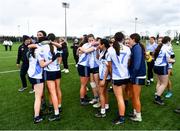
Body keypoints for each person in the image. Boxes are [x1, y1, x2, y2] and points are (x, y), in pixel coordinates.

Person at [27, 39, 54, 124]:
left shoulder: (30, 52)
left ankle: (38, 112)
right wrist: (52, 60)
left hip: (31, 75)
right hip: (37, 76)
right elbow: (42, 65)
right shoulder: (39, 52)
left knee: (38, 96)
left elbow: (30, 46)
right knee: (38, 97)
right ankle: (36, 117)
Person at [37, 31, 62, 121]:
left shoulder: (40, 48)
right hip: (57, 70)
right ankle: (59, 106)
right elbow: (61, 46)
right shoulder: (54, 46)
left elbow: (42, 65)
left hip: (49, 72)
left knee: (53, 93)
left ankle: (56, 114)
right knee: (57, 89)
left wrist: (50, 60)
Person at [108, 32, 131, 124]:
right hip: (126, 75)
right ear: (123, 39)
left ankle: (121, 118)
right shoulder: (127, 49)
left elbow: (109, 66)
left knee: (119, 98)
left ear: (115, 38)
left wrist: (111, 76)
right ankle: (125, 106)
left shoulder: (110, 49)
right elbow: (129, 63)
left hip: (117, 77)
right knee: (124, 94)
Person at [129, 33, 146, 122]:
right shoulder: (136, 47)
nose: (128, 40)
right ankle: (135, 112)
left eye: (129, 39)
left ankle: (138, 116)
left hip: (138, 75)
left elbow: (137, 65)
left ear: (134, 39)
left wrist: (132, 76)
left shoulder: (137, 48)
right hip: (137, 74)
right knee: (134, 96)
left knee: (136, 96)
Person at [153, 36, 175, 105]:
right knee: (164, 83)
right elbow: (168, 60)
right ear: (168, 41)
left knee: (160, 82)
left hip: (156, 66)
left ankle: (158, 95)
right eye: (170, 41)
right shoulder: (167, 47)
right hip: (162, 67)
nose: (170, 42)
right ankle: (157, 98)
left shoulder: (160, 47)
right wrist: (174, 60)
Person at [95, 38, 111, 118]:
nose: (98, 45)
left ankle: (102, 111)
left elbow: (108, 67)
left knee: (101, 92)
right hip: (102, 75)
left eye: (99, 44)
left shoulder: (107, 53)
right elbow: (98, 58)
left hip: (105, 76)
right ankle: (106, 106)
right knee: (105, 91)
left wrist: (104, 79)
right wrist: (97, 50)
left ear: (103, 44)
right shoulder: (102, 51)